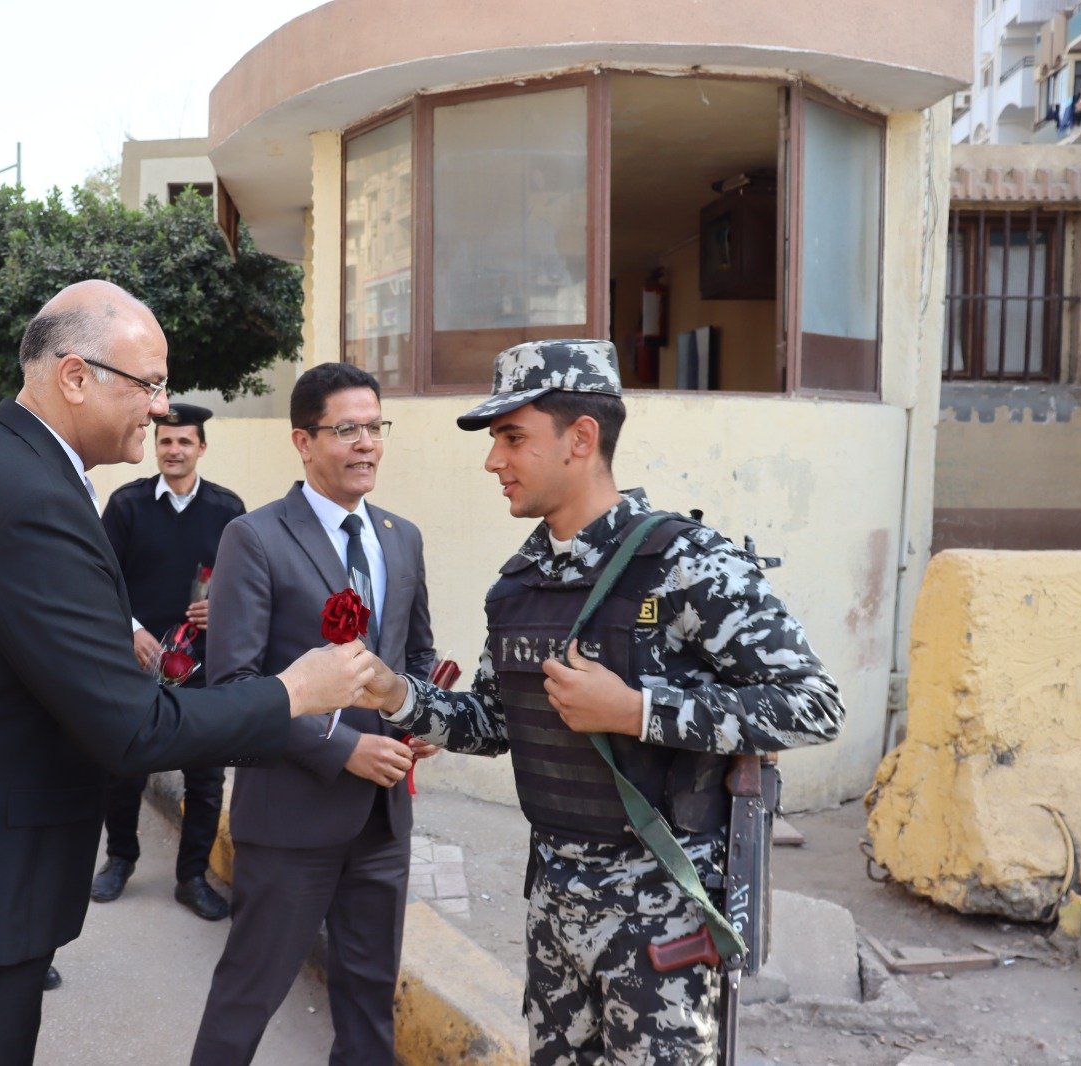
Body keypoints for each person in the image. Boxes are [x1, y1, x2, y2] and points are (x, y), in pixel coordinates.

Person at [0, 280, 380, 1066]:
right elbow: (133, 727)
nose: (161, 408)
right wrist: (294, 692)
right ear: (75, 377)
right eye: (149, 384)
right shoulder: (27, 497)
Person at [361, 340, 845, 1063]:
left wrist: (636, 711)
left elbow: (813, 704)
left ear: (581, 438)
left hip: (663, 917)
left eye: (512, 437)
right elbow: (494, 722)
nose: (493, 461)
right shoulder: (519, 585)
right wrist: (395, 694)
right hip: (555, 909)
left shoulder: (685, 563)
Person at [189, 362, 438, 1066]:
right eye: (347, 429)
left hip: (383, 819)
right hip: (291, 819)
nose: (367, 444)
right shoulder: (256, 537)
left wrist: (421, 720)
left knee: (369, 1003)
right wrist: (343, 748)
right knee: (248, 995)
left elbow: (417, 655)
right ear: (303, 441)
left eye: (376, 427)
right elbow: (235, 685)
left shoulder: (401, 537)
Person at [91, 402, 246, 921]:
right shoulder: (128, 506)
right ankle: (120, 859)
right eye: (165, 441)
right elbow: (101, 578)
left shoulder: (228, 509)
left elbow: (249, 583)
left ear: (201, 447)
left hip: (204, 668)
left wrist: (222, 608)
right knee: (124, 771)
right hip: (139, 665)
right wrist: (131, 631)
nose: (174, 450)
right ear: (156, 447)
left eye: (184, 441)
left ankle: (191, 877)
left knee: (205, 779)